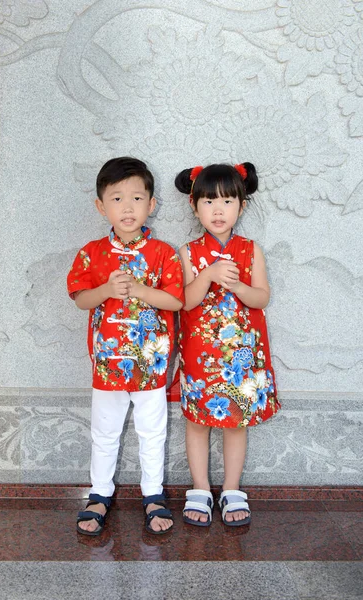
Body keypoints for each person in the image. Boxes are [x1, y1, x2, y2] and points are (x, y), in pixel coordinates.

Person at [67, 157, 184, 536]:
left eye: (137, 198)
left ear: (151, 204)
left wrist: (138, 289)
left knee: (153, 432)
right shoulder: (91, 252)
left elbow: (176, 302)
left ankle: (153, 494)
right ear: (102, 206)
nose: (128, 207)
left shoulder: (164, 253)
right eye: (117, 198)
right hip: (108, 365)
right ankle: (99, 493)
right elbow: (81, 299)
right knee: (105, 431)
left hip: (151, 364)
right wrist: (105, 290)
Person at [174, 162, 281, 527]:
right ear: (194, 206)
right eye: (208, 201)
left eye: (226, 201)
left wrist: (237, 285)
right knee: (198, 422)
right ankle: (201, 489)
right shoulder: (188, 253)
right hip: (200, 356)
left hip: (241, 356)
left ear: (242, 205)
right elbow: (185, 301)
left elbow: (262, 298)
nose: (217, 210)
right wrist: (208, 274)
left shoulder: (251, 251)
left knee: (236, 422)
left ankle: (233, 488)